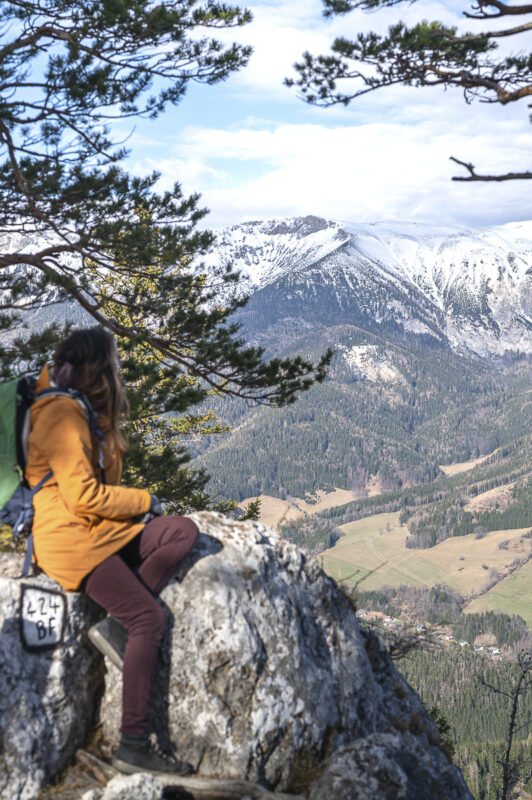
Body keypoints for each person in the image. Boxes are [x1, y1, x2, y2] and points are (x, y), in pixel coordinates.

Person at [25, 327, 199, 775]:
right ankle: (133, 745)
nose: (117, 372)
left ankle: (118, 624)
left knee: (181, 531)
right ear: (98, 369)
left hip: (96, 532)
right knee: (150, 618)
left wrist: (105, 426)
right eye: (113, 365)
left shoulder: (82, 409)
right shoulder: (61, 414)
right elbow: (84, 497)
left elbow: (101, 485)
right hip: (71, 542)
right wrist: (144, 501)